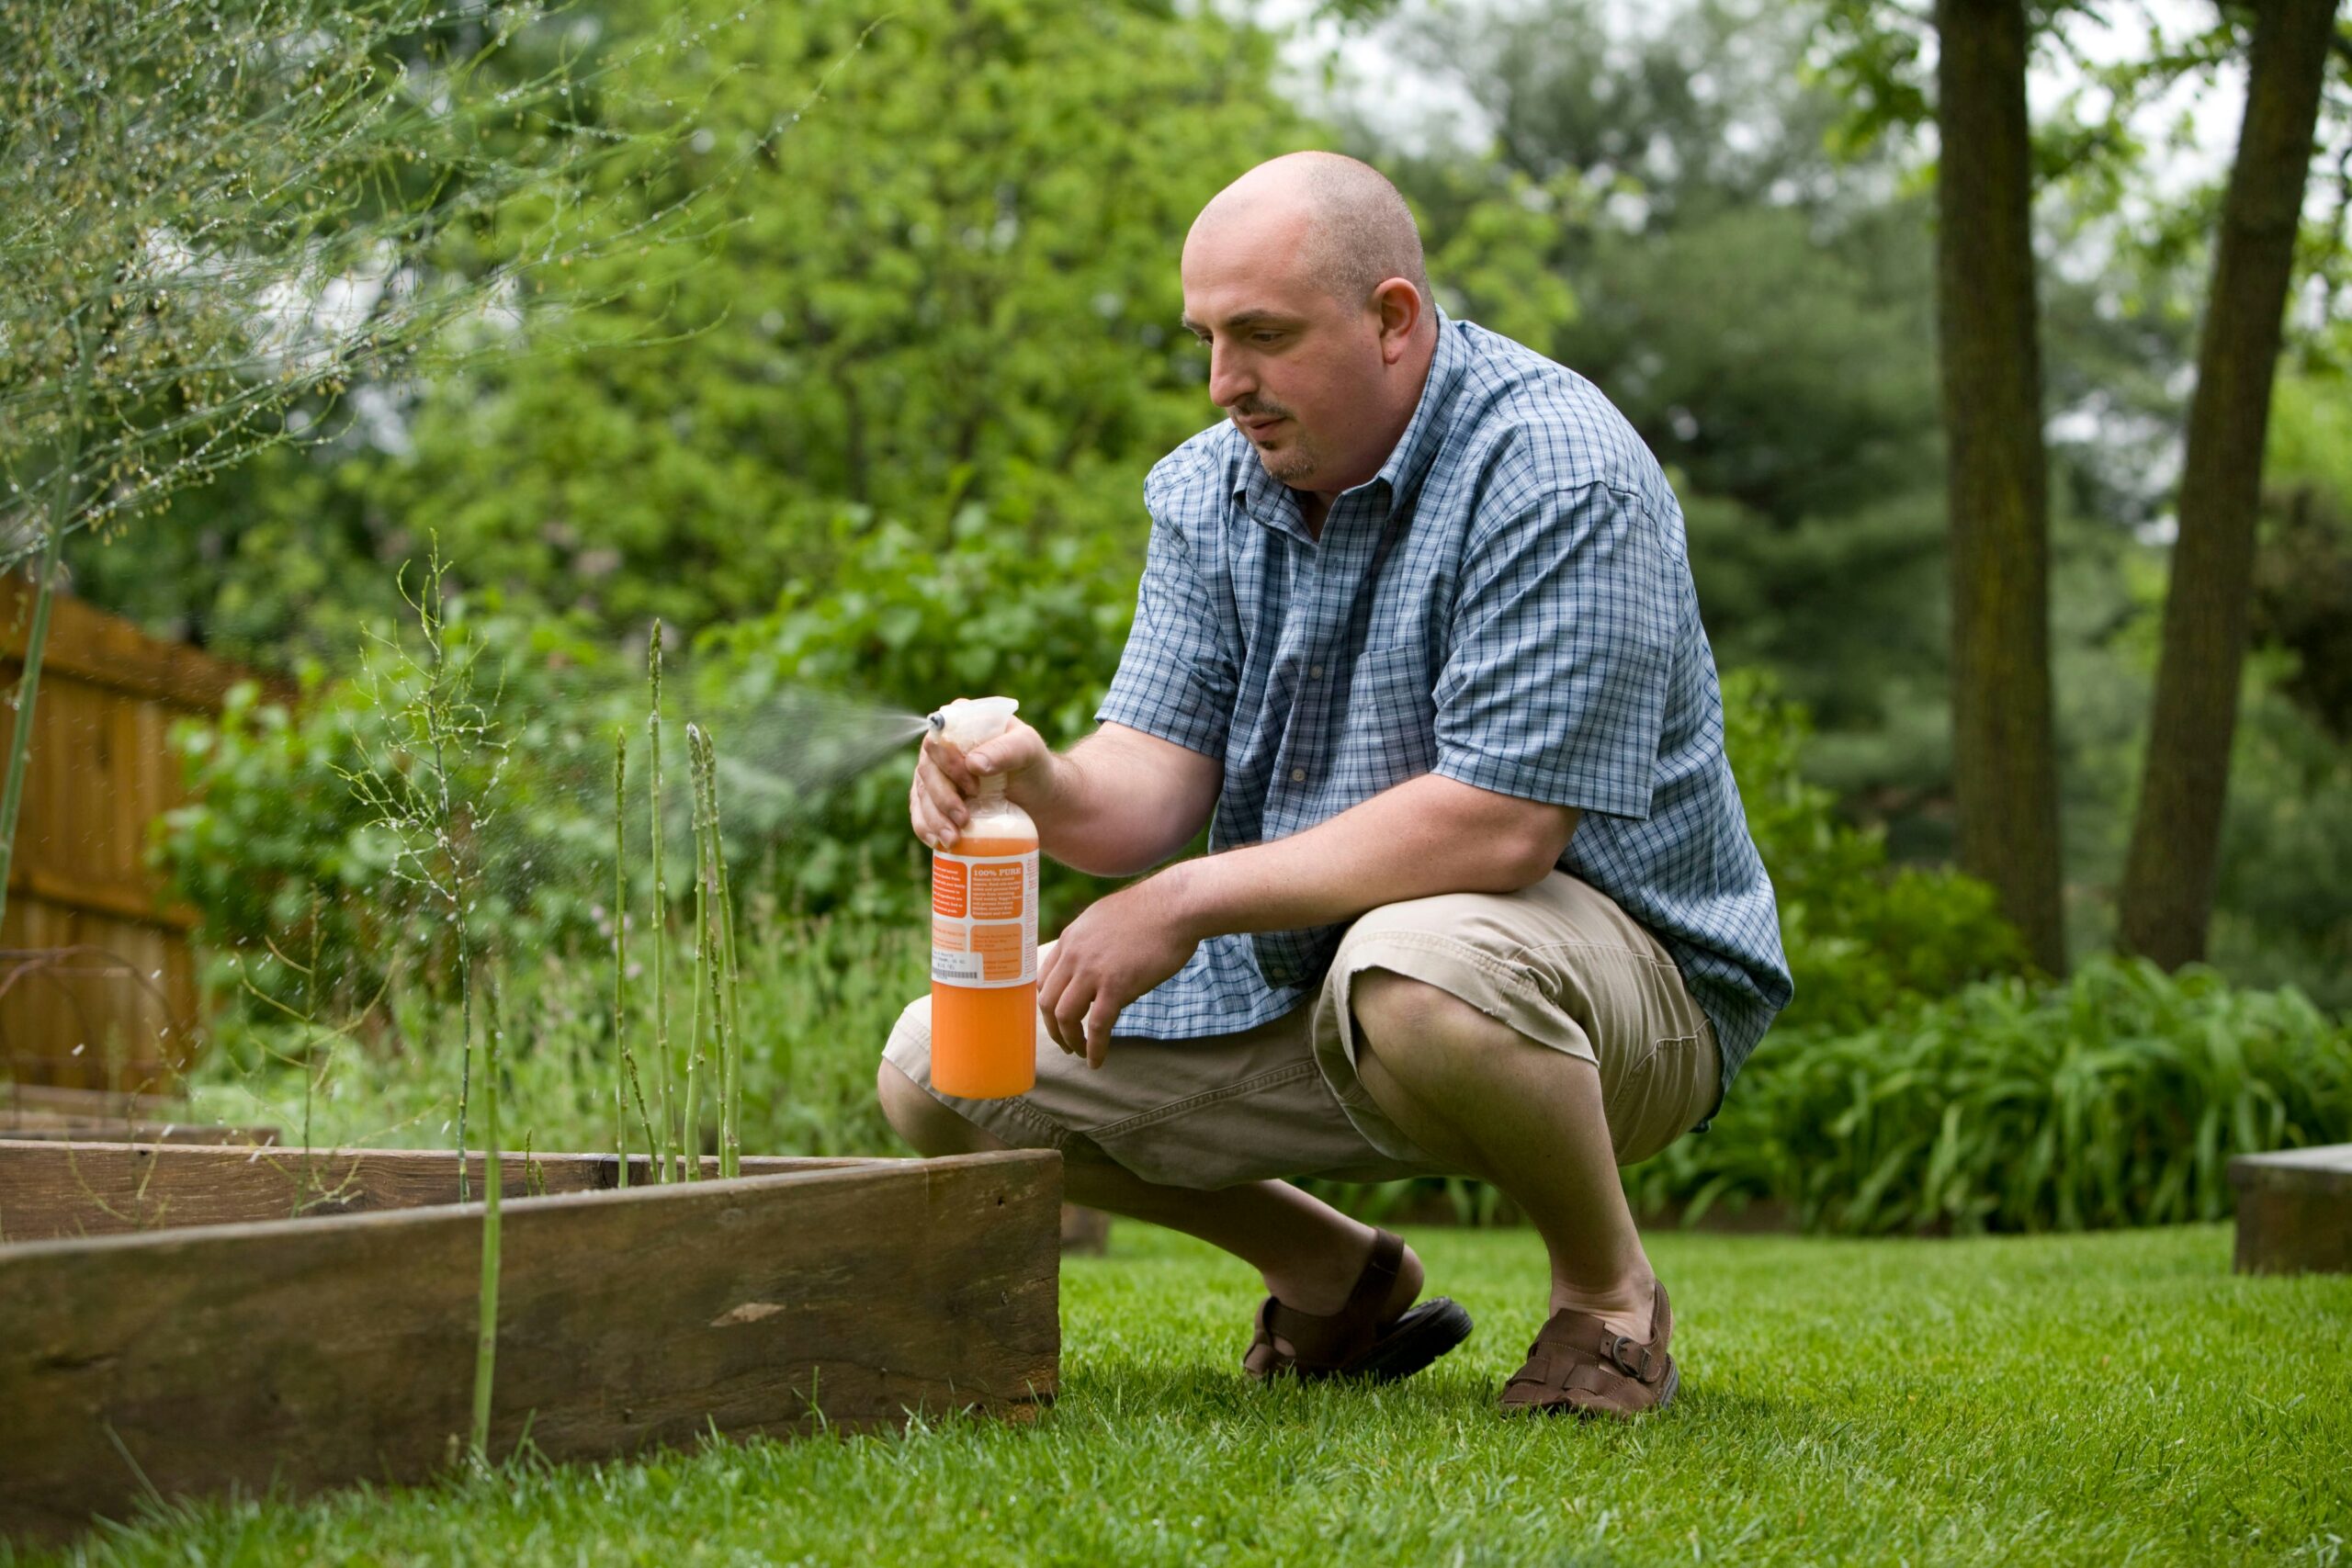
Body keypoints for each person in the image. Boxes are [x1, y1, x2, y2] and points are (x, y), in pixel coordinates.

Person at [880, 151, 1792, 1418]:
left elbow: (1505, 821)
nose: (1224, 383)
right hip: (1336, 974)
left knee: (1416, 966)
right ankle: (1335, 1279)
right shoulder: (1211, 488)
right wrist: (1038, 778)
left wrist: (1185, 899)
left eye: (1262, 335)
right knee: (942, 1068)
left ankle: (1608, 1299)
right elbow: (1146, 779)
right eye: (1206, 338)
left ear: (1393, 318)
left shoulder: (1557, 468)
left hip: (1621, 991)